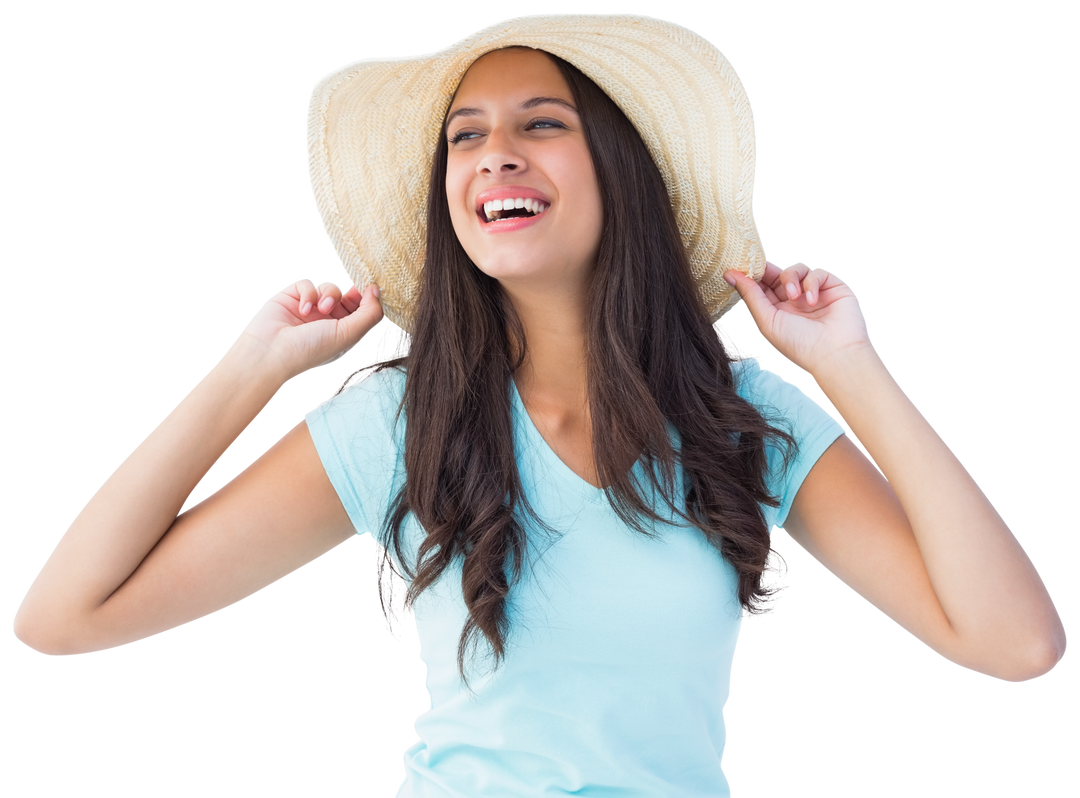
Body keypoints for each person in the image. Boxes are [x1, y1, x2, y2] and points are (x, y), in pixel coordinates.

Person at [11, 11, 1067, 797]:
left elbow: (1016, 647)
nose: (493, 153)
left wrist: (851, 365)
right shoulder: (398, 424)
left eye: (539, 122)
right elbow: (63, 619)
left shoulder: (745, 417)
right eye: (464, 136)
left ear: (621, 170)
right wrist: (250, 369)